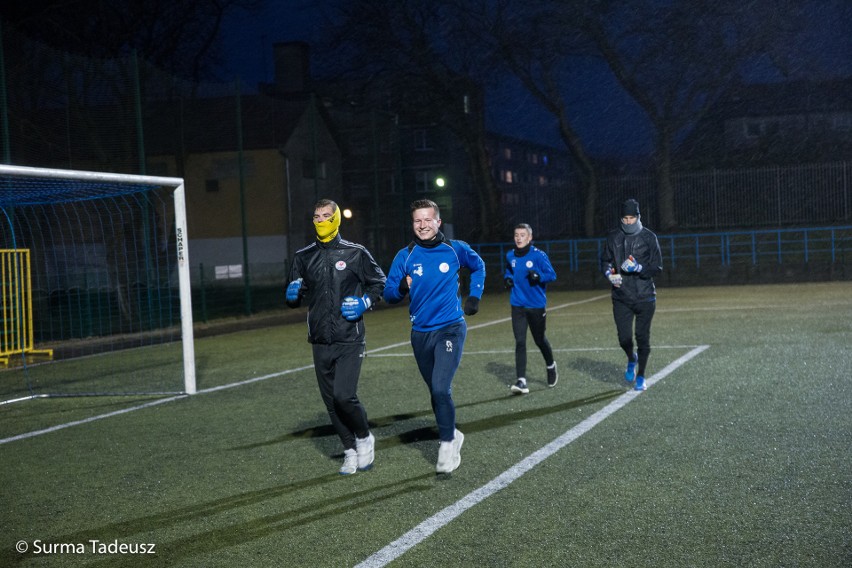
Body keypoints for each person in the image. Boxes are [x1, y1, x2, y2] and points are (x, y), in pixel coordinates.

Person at [383, 199, 485, 474]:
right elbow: (388, 293)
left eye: (428, 219)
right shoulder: (404, 255)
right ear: (413, 224)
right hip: (420, 334)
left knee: (441, 388)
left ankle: (448, 443)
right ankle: (453, 433)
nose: (423, 225)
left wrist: (474, 296)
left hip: (450, 328)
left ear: (438, 222)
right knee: (436, 391)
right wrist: (402, 289)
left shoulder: (455, 249)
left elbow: (479, 267)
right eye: (418, 220)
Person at [285, 199, 386, 475]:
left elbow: (380, 283)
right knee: (330, 403)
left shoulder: (356, 253)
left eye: (326, 216)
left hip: (349, 336)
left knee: (344, 396)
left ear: (336, 218)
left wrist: (365, 302)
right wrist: (292, 295)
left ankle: (364, 436)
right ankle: (350, 450)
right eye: (316, 216)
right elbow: (295, 292)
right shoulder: (303, 257)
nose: (320, 220)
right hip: (319, 339)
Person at [600, 198, 663, 391]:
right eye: (625, 218)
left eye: (632, 218)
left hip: (645, 297)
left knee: (642, 337)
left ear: (638, 217)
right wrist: (610, 275)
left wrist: (639, 267)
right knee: (624, 339)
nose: (628, 222)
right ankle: (631, 358)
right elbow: (605, 262)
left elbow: (658, 267)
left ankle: (641, 376)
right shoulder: (613, 237)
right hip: (621, 297)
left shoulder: (649, 237)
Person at [504, 223, 558, 394]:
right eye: (516, 235)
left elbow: (552, 275)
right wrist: (507, 279)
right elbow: (508, 271)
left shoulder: (539, 256)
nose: (518, 238)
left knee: (539, 340)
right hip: (517, 305)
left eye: (522, 235)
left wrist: (539, 276)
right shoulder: (510, 255)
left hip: (535, 305)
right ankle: (521, 381)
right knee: (520, 342)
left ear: (529, 238)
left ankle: (551, 365)